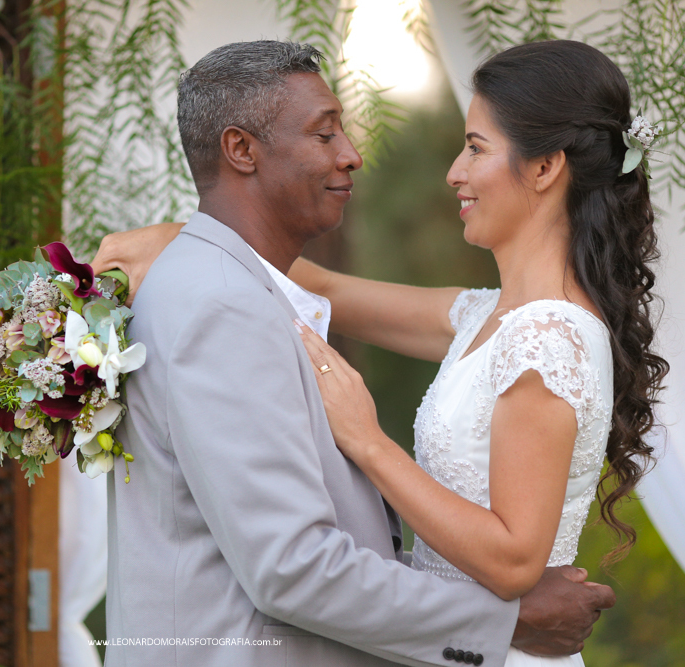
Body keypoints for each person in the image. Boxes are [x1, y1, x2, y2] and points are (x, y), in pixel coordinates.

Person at [92, 40, 615, 667]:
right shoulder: (481, 317)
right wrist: (190, 237)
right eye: (324, 134)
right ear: (242, 150)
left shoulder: (548, 337)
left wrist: (370, 442)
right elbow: (328, 287)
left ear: (544, 167)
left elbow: (513, 559)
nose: (453, 171)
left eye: (475, 148)